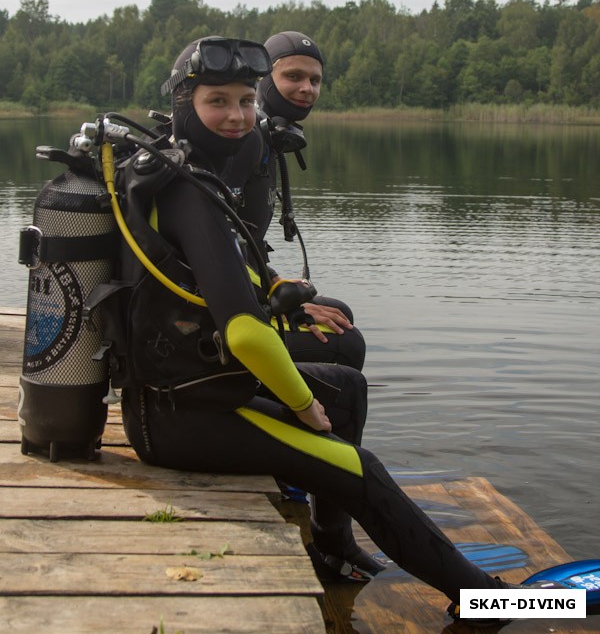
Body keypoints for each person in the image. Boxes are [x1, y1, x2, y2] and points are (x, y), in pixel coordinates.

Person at [116, 35, 525, 622]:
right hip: (180, 418)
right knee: (359, 466)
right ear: (184, 102)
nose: (236, 116)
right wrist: (304, 406)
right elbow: (247, 335)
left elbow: (207, 281)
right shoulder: (189, 190)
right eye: (217, 102)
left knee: (348, 385)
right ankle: (486, 601)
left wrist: (279, 294)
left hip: (198, 389)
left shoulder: (177, 173)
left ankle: (333, 547)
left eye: (244, 101)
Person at [231, 31, 365, 370]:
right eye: (293, 76)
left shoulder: (265, 139)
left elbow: (244, 240)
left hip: (236, 291)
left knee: (340, 314)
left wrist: (275, 283)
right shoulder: (244, 141)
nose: (308, 88)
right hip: (217, 311)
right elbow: (217, 244)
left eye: (315, 80)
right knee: (346, 343)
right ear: (263, 80)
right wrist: (281, 304)